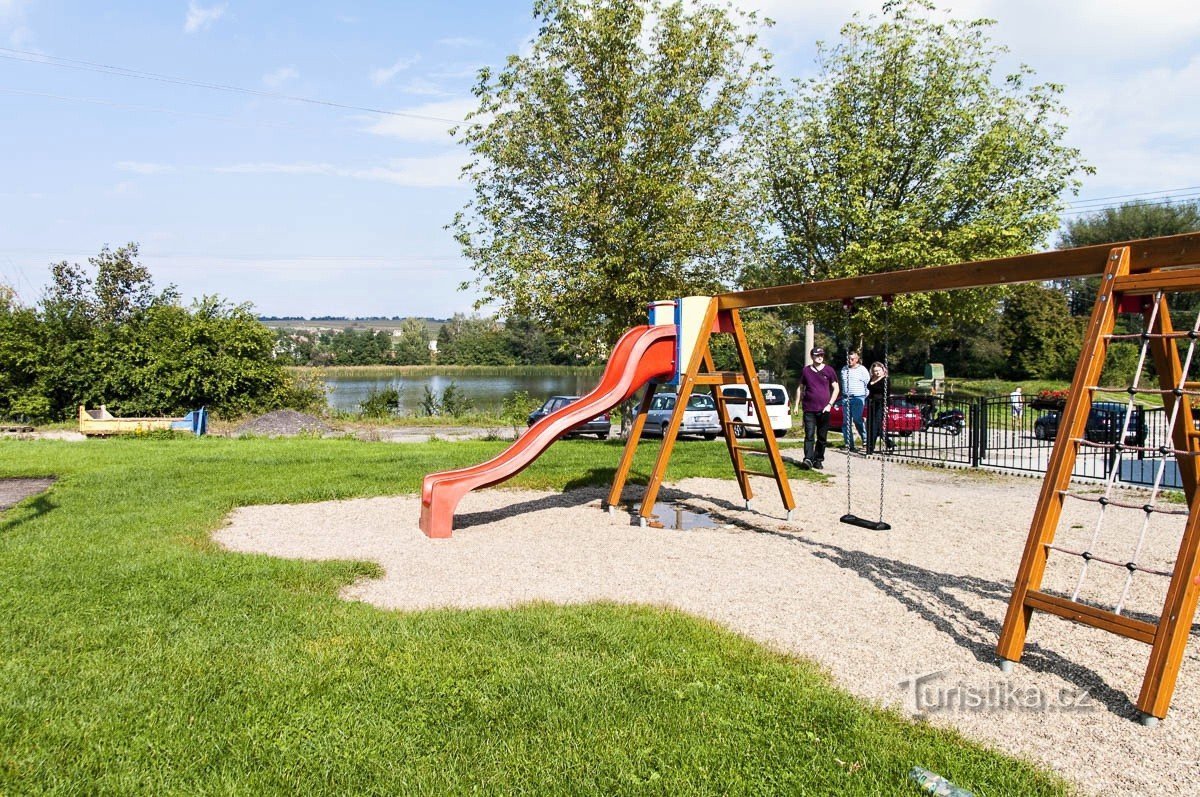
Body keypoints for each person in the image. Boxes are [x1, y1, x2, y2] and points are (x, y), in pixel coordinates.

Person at [798, 347, 840, 469]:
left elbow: (836, 388)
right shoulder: (806, 371)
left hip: (824, 409)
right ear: (812, 357)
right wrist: (797, 403)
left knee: (822, 437)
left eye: (821, 355)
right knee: (809, 434)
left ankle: (818, 459)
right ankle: (808, 459)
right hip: (809, 408)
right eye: (817, 355)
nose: (820, 357)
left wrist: (829, 405)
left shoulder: (829, 370)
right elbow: (801, 387)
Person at [840, 350, 870, 452]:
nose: (850, 360)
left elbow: (868, 384)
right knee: (845, 422)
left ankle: (865, 440)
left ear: (857, 360)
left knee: (858, 420)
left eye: (852, 359)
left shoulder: (862, 370)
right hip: (846, 398)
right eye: (848, 358)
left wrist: (865, 396)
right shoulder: (844, 369)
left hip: (858, 397)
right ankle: (849, 444)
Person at [865, 361, 894, 455]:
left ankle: (870, 448)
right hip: (871, 404)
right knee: (870, 425)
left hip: (880, 404)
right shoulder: (872, 378)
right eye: (875, 371)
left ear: (883, 370)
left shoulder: (885, 380)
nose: (877, 372)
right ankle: (889, 443)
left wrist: (886, 406)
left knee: (876, 426)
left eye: (878, 370)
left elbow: (888, 394)